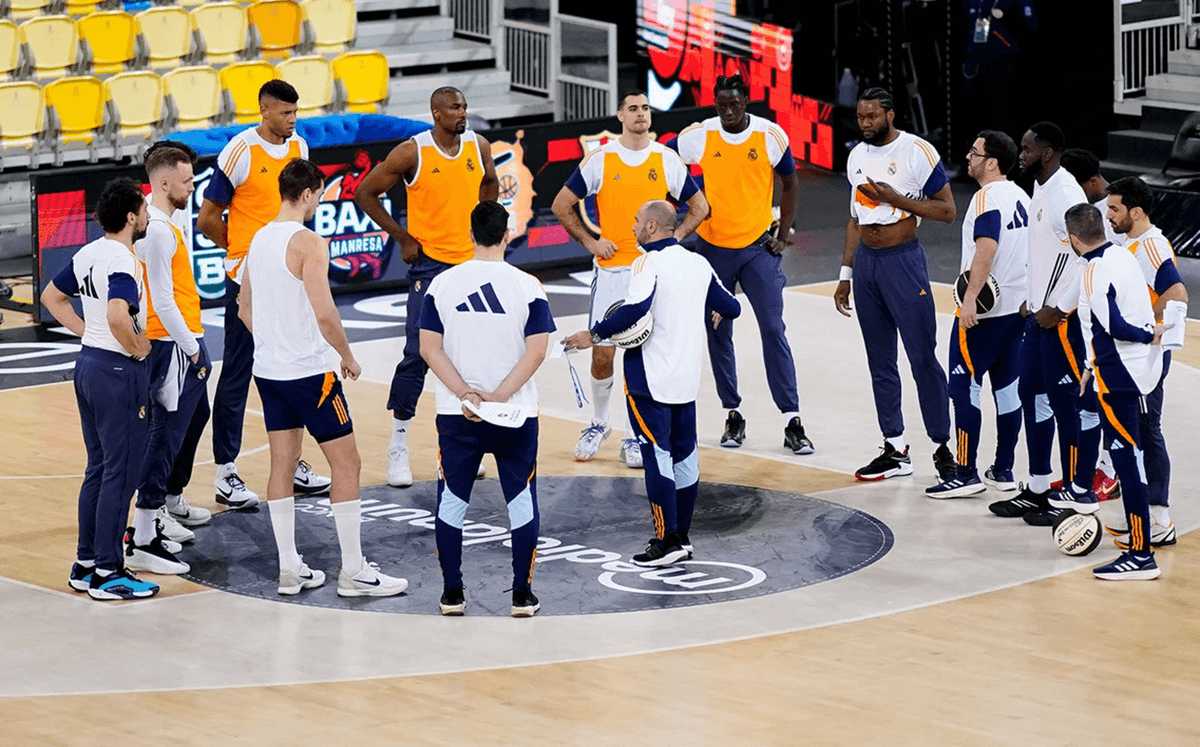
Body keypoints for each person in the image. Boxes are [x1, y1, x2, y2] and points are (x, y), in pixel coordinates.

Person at [239, 159, 407, 598]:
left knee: (282, 465)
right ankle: (354, 571)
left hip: (270, 371)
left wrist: (274, 341)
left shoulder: (257, 239)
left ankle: (289, 568)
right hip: (311, 374)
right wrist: (347, 356)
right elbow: (326, 312)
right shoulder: (308, 242)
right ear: (310, 193)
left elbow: (243, 307)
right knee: (346, 464)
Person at [564, 200, 741, 567]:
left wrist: (593, 334)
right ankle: (683, 538)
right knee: (685, 458)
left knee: (657, 457)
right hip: (686, 379)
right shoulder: (698, 263)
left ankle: (665, 540)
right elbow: (732, 306)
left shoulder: (647, 262)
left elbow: (634, 310)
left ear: (651, 228)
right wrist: (711, 308)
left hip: (649, 377)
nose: (631, 227)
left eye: (636, 220)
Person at [551, 90, 709, 468]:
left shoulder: (666, 159)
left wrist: (672, 242)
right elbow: (560, 204)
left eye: (645, 109)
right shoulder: (602, 158)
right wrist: (591, 240)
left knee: (644, 355)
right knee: (603, 353)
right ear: (620, 115)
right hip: (611, 270)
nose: (641, 114)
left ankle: (634, 435)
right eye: (633, 109)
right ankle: (599, 423)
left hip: (651, 273)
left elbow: (700, 207)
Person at [355, 86, 499, 488]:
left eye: (465, 106)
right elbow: (365, 192)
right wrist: (402, 237)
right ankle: (397, 445)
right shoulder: (412, 151)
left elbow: (490, 183)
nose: (462, 112)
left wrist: (483, 226)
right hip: (431, 266)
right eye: (455, 107)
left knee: (468, 355)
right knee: (418, 353)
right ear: (436, 113)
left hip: (470, 263)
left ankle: (461, 446)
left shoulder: (478, 144)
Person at [198, 79, 330, 509]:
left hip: (289, 278)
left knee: (293, 365)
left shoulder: (301, 149)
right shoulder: (239, 151)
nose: (292, 120)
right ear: (264, 110)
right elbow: (208, 219)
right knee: (237, 371)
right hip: (246, 278)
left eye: (296, 113)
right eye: (285, 113)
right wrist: (249, 253)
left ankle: (293, 462)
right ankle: (225, 473)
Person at [419, 201, 554, 617]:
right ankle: (521, 594)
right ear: (507, 234)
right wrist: (499, 397)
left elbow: (427, 347)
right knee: (520, 502)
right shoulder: (528, 285)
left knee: (453, 502)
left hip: (457, 415)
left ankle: (452, 594)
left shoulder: (441, 284)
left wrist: (466, 393)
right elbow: (538, 350)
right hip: (515, 416)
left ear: (470, 234)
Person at [670, 73, 812, 454]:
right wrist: (681, 213)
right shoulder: (700, 135)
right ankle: (733, 414)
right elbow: (667, 164)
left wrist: (783, 234)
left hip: (756, 249)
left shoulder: (769, 135)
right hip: (713, 252)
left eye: (735, 104)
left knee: (772, 328)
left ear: (746, 100)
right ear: (714, 104)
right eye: (721, 105)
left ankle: (791, 420)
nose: (729, 111)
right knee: (718, 334)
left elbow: (791, 182)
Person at [41, 178, 160, 600]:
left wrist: (85, 331)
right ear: (131, 217)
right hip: (116, 371)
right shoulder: (123, 260)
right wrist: (140, 349)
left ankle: (86, 563)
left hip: (88, 365)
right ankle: (110, 573)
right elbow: (115, 315)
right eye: (143, 208)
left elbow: (51, 297)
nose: (146, 214)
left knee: (98, 467)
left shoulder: (88, 252)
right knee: (120, 472)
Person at [833, 87, 957, 482]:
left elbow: (948, 211)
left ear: (890, 114)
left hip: (903, 263)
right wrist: (845, 274)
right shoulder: (855, 155)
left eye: (872, 116)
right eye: (860, 117)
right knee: (880, 361)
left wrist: (899, 200)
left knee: (922, 358)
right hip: (867, 265)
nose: (865, 123)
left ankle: (943, 449)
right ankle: (895, 448)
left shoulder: (917, 151)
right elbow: (854, 219)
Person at [989, 122, 1096, 525]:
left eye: (1027, 148)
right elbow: (1046, 254)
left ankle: (1071, 492)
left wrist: (1059, 307)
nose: (1021, 154)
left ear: (1047, 152)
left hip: (1061, 322)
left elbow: (1084, 256)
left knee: (1064, 404)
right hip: (1037, 317)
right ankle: (1038, 486)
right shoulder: (1041, 188)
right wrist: (1031, 301)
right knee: (1032, 393)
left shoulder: (1066, 192)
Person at [1068, 203, 1170, 580]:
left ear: (1074, 240)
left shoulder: (1093, 271)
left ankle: (1141, 555)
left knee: (1127, 460)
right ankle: (1139, 539)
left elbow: (1113, 326)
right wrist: (1087, 367)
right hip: (1138, 371)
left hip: (1118, 376)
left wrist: (1148, 334)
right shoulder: (1122, 256)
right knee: (1133, 456)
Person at [926, 130, 1028, 498]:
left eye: (974, 152)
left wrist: (969, 299)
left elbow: (987, 245)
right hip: (1017, 311)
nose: (968, 157)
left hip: (983, 314)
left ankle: (965, 472)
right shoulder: (1021, 196)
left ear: (992, 162)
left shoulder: (986, 198)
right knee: (1007, 390)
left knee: (963, 386)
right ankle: (1003, 470)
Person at [126, 144, 213, 571]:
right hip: (171, 343)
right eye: (186, 181)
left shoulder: (166, 219)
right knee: (165, 435)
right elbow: (159, 297)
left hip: (180, 338)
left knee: (195, 418)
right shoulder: (156, 228)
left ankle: (168, 501)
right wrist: (193, 347)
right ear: (163, 184)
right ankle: (148, 524)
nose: (193, 186)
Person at [1105, 176, 1188, 548]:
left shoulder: (1151, 246)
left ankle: (1160, 519)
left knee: (1147, 432)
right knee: (1133, 433)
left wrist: (1144, 320)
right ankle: (1139, 515)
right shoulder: (1130, 244)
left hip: (1146, 359)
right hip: (1132, 355)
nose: (1108, 215)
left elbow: (1177, 292)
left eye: (1114, 209)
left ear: (1135, 212)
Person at [1057, 148, 1123, 502]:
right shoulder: (1094, 212)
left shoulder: (1110, 218)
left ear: (1093, 182)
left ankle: (1111, 473)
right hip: (1092, 322)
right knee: (1091, 399)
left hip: (1113, 325)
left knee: (1107, 401)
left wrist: (1060, 307)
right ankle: (1097, 468)